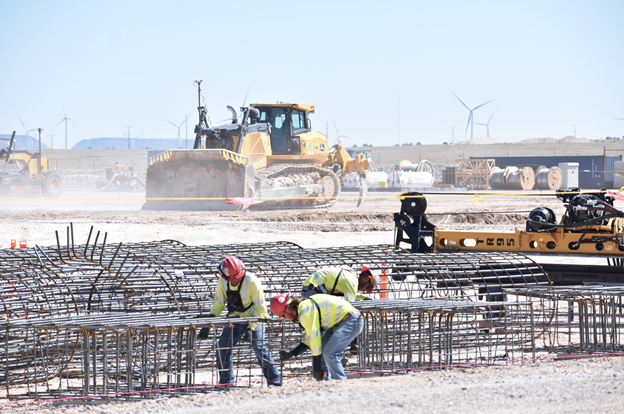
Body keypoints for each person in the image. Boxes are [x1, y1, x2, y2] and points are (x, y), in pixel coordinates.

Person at [198, 257, 281, 387]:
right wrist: (208, 325)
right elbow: (219, 304)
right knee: (222, 347)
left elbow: (260, 309)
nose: (235, 281)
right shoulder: (223, 281)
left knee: (258, 347)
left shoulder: (252, 282)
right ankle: (227, 382)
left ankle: (274, 379)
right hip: (235, 318)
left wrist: (251, 327)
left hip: (256, 318)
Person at [270, 292, 364, 381]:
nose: (285, 318)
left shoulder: (305, 313)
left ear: (287, 309)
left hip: (351, 320)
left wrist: (317, 368)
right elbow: (309, 339)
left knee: (329, 353)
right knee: (323, 350)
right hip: (341, 322)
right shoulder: (304, 308)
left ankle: (341, 384)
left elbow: (315, 341)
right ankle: (325, 384)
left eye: (283, 316)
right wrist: (291, 354)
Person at [301, 265, 379, 301]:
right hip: (312, 290)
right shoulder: (352, 281)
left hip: (310, 287)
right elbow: (350, 303)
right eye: (368, 287)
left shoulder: (350, 273)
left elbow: (352, 294)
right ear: (366, 280)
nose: (364, 290)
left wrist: (364, 297)